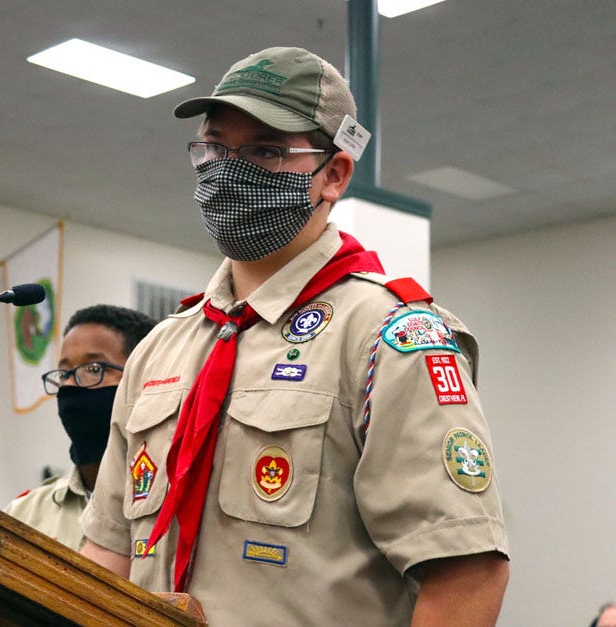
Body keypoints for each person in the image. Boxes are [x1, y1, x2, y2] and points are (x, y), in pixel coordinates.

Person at [79, 47, 509, 625]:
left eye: (264, 151)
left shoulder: (388, 334)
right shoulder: (162, 348)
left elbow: (465, 574)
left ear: (333, 175)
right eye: (214, 147)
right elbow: (108, 555)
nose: (228, 170)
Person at [4, 304, 156, 551]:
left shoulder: (168, 507)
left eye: (94, 369)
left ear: (144, 378)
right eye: (64, 373)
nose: (70, 386)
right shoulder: (25, 514)